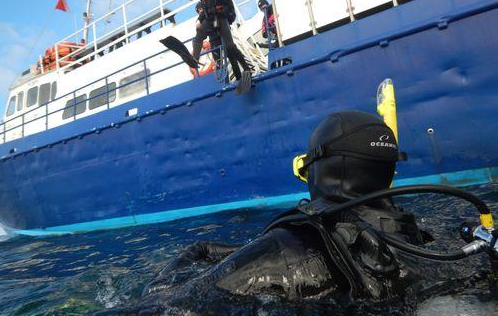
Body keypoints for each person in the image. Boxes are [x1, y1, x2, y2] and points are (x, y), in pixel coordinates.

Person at [139, 111, 435, 304]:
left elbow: (166, 305)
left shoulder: (287, 246)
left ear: (321, 167)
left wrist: (191, 253)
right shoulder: (418, 240)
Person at [187, 0, 251, 84]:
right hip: (210, 21)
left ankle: (245, 71)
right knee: (202, 38)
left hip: (221, 18)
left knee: (230, 47)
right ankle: (194, 58)